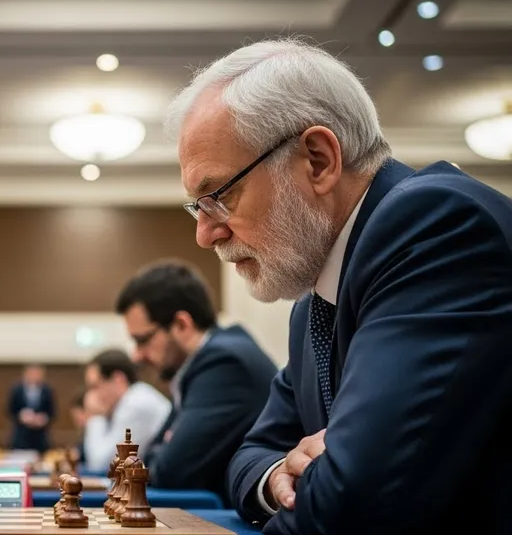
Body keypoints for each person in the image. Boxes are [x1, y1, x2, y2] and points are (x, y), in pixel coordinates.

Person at [167, 37, 512, 534]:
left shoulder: (435, 228)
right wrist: (277, 476)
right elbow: (249, 456)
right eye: (197, 208)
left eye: (219, 196)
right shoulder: (313, 306)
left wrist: (324, 478)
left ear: (318, 160)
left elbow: (353, 502)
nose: (206, 234)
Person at [115, 259, 277, 502]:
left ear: (181, 325)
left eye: (142, 340)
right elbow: (149, 458)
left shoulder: (224, 364)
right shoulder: (196, 369)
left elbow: (170, 471)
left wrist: (159, 455)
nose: (136, 355)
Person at [80, 349, 170, 472]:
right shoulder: (131, 400)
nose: (92, 396)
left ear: (118, 379)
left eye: (96, 386)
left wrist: (95, 416)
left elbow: (102, 463)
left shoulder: (136, 404)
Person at [6, 364, 54, 453]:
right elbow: (10, 410)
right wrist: (21, 416)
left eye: (37, 374)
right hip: (21, 436)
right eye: (32, 373)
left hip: (41, 437)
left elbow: (52, 412)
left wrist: (43, 418)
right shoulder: (17, 390)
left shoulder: (47, 391)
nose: (34, 376)